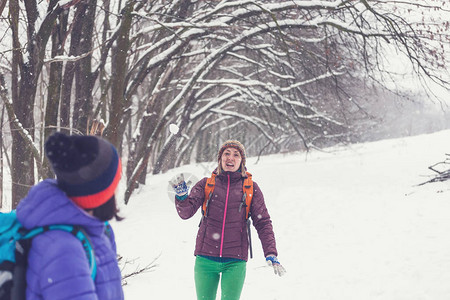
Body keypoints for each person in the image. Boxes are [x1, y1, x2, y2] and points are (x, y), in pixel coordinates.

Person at [16, 132, 124, 300]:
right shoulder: (65, 251)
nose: (119, 187)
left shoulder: (100, 231)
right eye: (117, 180)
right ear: (102, 193)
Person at [172, 140, 286, 300]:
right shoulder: (206, 184)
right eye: (226, 154)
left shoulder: (251, 188)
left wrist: (271, 252)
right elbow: (186, 213)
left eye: (236, 154)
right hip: (205, 258)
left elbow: (263, 222)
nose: (230, 158)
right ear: (220, 158)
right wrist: (182, 197)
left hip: (235, 260)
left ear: (242, 161)